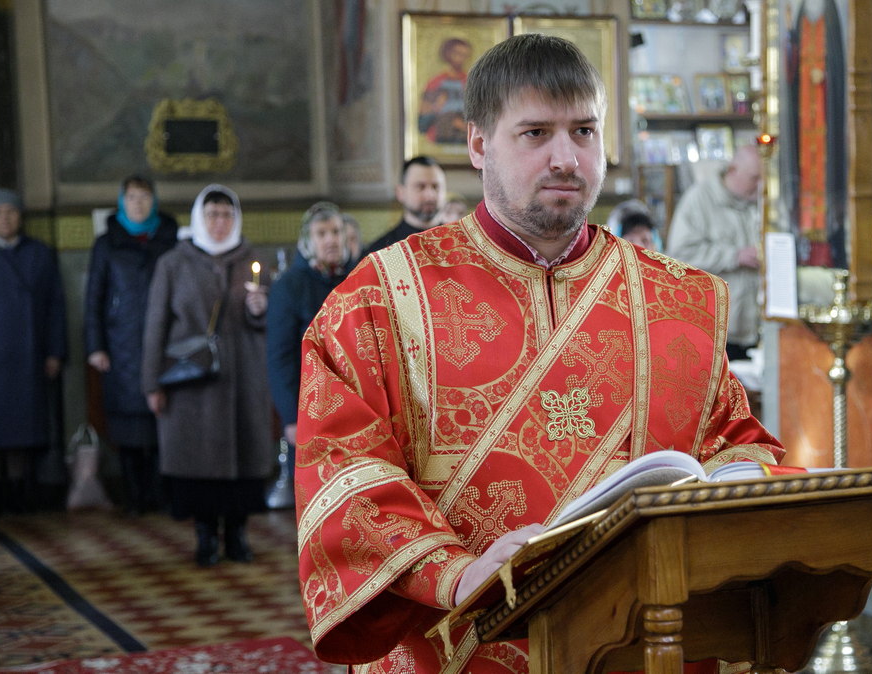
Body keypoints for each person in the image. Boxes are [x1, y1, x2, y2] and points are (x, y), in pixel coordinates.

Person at [295, 33, 786, 672]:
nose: (566, 158)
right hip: (457, 647)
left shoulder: (675, 299)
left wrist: (738, 480)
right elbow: (344, 465)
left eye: (584, 131)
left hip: (643, 644)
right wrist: (455, 573)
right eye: (535, 133)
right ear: (478, 145)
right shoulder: (381, 297)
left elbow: (733, 441)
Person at [141, 184, 274, 567]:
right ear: (200, 218)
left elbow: (268, 323)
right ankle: (204, 536)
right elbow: (155, 326)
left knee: (245, 462)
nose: (220, 222)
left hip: (244, 377)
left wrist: (259, 309)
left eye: (227, 215)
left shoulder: (254, 259)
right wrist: (151, 383)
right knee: (196, 465)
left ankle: (237, 534)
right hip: (191, 384)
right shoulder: (173, 263)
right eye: (212, 214)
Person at [84, 175, 180, 516]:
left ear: (154, 201)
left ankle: (161, 493)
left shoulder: (170, 238)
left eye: (144, 197)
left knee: (161, 423)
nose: (138, 203)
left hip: (165, 343)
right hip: (120, 344)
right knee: (127, 426)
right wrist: (96, 346)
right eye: (132, 197)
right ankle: (134, 496)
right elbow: (94, 299)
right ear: (122, 202)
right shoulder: (106, 243)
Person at [0, 188, 67, 515]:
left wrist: (55, 352)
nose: (5, 218)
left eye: (11, 211)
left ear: (20, 216)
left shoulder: (40, 253)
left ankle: (20, 493)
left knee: (22, 427)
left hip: (27, 354)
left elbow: (56, 307)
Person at [266, 202, 352, 478]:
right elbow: (280, 357)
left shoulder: (357, 277)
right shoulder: (288, 286)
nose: (331, 240)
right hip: (309, 408)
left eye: (336, 232)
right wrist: (291, 417)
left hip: (354, 406)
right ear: (307, 239)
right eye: (321, 233)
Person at [665, 144, 763, 361]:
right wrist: (734, 256)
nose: (760, 187)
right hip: (717, 333)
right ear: (733, 170)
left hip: (757, 328)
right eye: (754, 178)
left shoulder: (761, 202)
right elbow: (679, 255)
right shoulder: (698, 200)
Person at [363, 155, 448, 254]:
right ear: (400, 193)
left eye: (436, 187)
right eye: (420, 187)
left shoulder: (460, 244)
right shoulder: (380, 252)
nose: (430, 195)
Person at [418, 37, 472, 144]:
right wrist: (437, 107)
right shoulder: (436, 82)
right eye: (457, 53)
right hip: (441, 134)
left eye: (464, 55)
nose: (460, 58)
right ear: (447, 54)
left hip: (465, 135)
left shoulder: (469, 81)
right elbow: (424, 115)